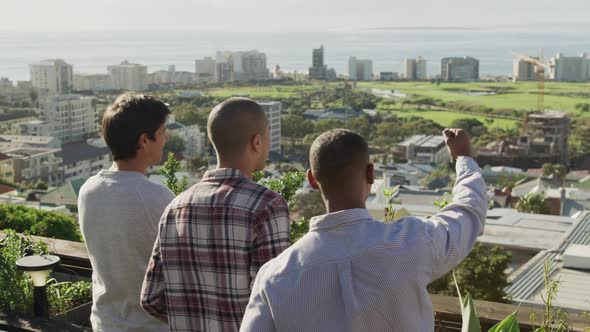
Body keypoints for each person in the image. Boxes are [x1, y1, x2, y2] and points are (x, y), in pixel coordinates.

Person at [241, 128, 487, 332]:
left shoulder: (274, 277)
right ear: (371, 173)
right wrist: (464, 158)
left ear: (312, 180)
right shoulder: (412, 243)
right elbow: (468, 212)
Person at [141, 97, 291, 331]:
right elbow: (276, 301)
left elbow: (150, 298)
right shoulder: (267, 206)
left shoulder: (175, 207)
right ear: (257, 142)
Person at [78, 92, 175, 332]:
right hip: (151, 326)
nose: (166, 138)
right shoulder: (160, 198)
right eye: (162, 132)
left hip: (106, 322)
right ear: (144, 140)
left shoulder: (88, 189)